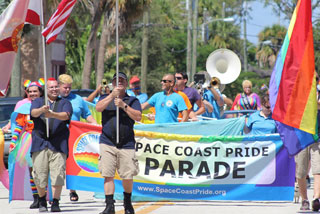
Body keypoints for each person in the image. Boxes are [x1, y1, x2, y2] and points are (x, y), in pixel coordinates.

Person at [96, 72, 142, 214]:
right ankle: (109, 205)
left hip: (126, 143)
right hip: (107, 142)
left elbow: (138, 116)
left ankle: (127, 203)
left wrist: (123, 106)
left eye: (122, 80)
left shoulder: (132, 100)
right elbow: (98, 108)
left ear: (126, 84)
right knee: (108, 174)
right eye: (117, 80)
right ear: (113, 83)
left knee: (127, 175)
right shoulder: (105, 97)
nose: (119, 82)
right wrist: (111, 96)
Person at [30, 78, 73, 212]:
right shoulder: (38, 101)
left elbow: (66, 116)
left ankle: (55, 201)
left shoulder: (65, 102)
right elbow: (33, 113)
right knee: (40, 175)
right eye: (51, 87)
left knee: (58, 175)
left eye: (56, 87)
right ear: (46, 89)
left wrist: (52, 114)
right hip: (40, 142)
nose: (54, 89)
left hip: (58, 143)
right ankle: (42, 200)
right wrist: (42, 110)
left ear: (59, 88)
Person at [5, 79, 43, 209]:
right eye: (30, 91)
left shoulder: (45, 105)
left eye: (35, 91)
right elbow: (19, 127)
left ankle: (44, 196)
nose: (32, 94)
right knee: (31, 170)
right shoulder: (24, 107)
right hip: (28, 140)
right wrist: (13, 142)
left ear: (40, 92)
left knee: (41, 170)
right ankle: (36, 197)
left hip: (41, 138)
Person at [58, 74, 97, 202]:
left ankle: (72, 190)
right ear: (58, 86)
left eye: (69, 88)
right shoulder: (53, 99)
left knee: (72, 164)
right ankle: (52, 191)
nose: (67, 90)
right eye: (65, 88)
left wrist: (96, 125)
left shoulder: (78, 99)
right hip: (57, 136)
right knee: (57, 164)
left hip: (74, 136)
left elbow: (87, 115)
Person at [294, 74, 320, 211]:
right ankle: (304, 200)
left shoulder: (319, 93)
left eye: (315, 79)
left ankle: (316, 198)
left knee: (318, 170)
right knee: (301, 172)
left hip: (317, 137)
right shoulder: (298, 94)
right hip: (301, 137)